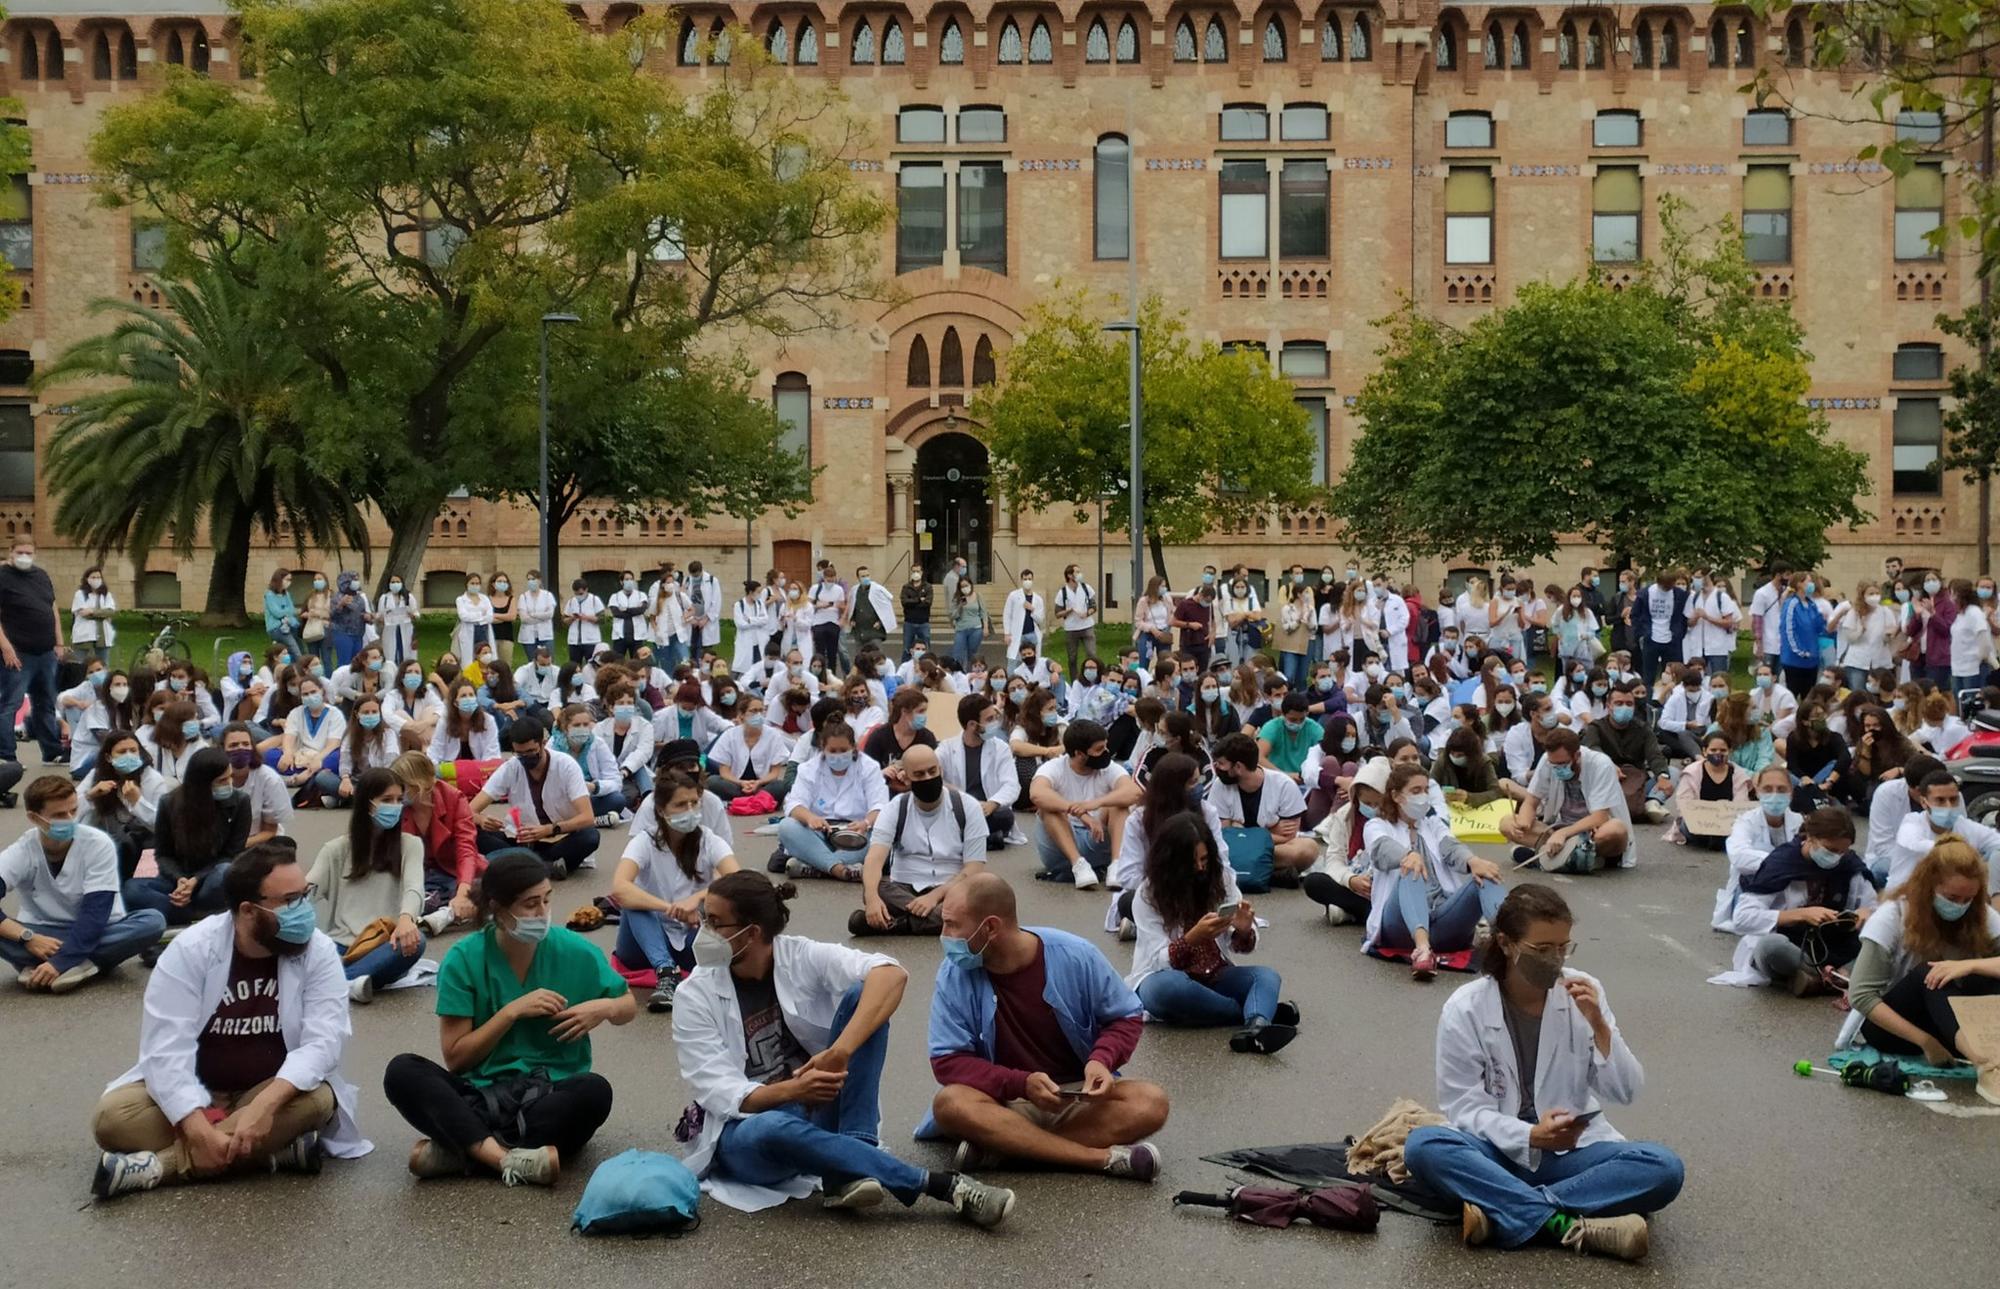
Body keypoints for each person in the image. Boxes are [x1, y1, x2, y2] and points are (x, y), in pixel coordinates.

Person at [670, 872, 1014, 1224]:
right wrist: (794, 1089)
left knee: (866, 993)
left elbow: (891, 973)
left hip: (815, 1104)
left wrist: (841, 1051)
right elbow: (719, 1092)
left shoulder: (799, 955)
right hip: (748, 1135)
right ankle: (939, 1186)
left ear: (753, 933)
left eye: (714, 922)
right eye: (705, 918)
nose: (703, 930)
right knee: (770, 1127)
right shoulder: (694, 994)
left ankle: (850, 1163)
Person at [1403, 883, 1682, 1261]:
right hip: (1496, 1152)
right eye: (1541, 949)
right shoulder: (1465, 1009)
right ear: (1505, 943)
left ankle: (1509, 1209)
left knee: (1664, 1168)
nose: (1555, 959)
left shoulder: (1584, 994)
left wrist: (1600, 1026)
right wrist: (1530, 1134)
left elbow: (1626, 1091)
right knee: (1425, 1147)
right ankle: (1566, 1224)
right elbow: (1463, 1109)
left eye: (1562, 947)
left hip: (1570, 1156)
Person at [88, 841, 365, 1199]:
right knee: (111, 1119)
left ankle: (157, 1168)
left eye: (305, 895)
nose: (305, 910)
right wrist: (196, 1125)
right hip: (199, 1090)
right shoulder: (191, 951)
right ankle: (272, 1153)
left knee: (319, 1100)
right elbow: (164, 1051)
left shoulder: (318, 950)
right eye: (290, 900)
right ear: (248, 911)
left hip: (268, 1091)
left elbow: (324, 1044)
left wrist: (264, 1107)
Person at [382, 848, 633, 1187]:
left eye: (547, 900)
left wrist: (605, 1009)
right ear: (497, 908)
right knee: (402, 1071)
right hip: (481, 1091)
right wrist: (511, 1012)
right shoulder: (464, 958)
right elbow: (456, 1059)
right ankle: (506, 1160)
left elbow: (627, 1005)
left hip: (548, 1095)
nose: (543, 913)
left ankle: (464, 1149)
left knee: (594, 1092)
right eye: (530, 904)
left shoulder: (574, 950)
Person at [924, 872, 1168, 1178]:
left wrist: (1100, 1060)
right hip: (1005, 1102)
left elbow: (1126, 1016)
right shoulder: (954, 973)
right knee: (950, 1103)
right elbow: (948, 1062)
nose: (943, 935)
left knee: (1151, 1102)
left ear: (990, 927)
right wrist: (1021, 1083)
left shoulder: (1075, 955)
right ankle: (1097, 1158)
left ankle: (1004, 1151)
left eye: (952, 925)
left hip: (1078, 1097)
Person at [1844, 838, 2000, 1102]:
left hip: (1949, 1019)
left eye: (1967, 899)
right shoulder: (1892, 916)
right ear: (1929, 887)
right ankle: (1988, 1067)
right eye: (1952, 898)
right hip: (1895, 1024)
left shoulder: (1979, 914)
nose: (1960, 905)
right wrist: (1925, 1042)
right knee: (1931, 973)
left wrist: (1968, 964)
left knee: (1982, 974)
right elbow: (1861, 996)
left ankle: (1987, 1051)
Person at [1127, 811, 1295, 1052]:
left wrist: (1244, 931)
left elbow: (1238, 944)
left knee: (1266, 976)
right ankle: (1255, 1015)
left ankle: (1256, 1026)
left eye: (1204, 860)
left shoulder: (1222, 879)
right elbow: (1157, 961)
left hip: (1214, 974)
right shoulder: (1147, 894)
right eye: (1191, 863)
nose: (1199, 868)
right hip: (1169, 977)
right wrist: (1192, 938)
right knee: (1166, 989)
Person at [0, 774, 166, 992]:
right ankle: (88, 962)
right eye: (59, 815)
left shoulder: (97, 844)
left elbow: (95, 914)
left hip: (99, 929)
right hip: (44, 934)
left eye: (73, 810)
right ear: (34, 818)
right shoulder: (23, 850)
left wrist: (59, 961)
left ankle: (51, 964)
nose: (69, 819)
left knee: (152, 922)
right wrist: (27, 938)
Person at [1360, 763, 1506, 979]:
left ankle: (1512, 942)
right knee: (1411, 869)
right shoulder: (1377, 825)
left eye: (1426, 790)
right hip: (1399, 926)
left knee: (1485, 873)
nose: (1424, 796)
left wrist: (1473, 861)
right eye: (1416, 791)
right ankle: (1422, 950)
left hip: (1442, 917)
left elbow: (1451, 848)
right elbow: (1381, 849)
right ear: (1397, 796)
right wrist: (1407, 856)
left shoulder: (1433, 824)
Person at [613, 770, 740, 1012]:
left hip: (692, 934)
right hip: (644, 941)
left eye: (694, 803)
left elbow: (736, 876)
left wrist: (697, 899)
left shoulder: (708, 840)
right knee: (632, 902)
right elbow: (620, 887)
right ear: (661, 810)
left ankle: (673, 970)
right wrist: (668, 909)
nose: (690, 810)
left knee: (730, 907)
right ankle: (666, 972)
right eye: (681, 804)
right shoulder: (645, 841)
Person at [1720, 807, 1877, 993]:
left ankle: (1821, 980)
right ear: (1810, 838)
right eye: (1831, 849)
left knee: (1886, 940)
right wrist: (1801, 914)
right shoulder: (1782, 863)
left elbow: (1873, 906)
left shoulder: (1849, 866)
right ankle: (1838, 978)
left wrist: (1865, 914)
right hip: (1795, 946)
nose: (1837, 857)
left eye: (1843, 852)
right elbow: (1743, 917)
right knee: (1770, 947)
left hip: (1838, 945)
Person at [303, 768, 426, 1003]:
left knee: (416, 942)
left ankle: (330, 984)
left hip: (385, 942)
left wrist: (406, 918)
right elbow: (309, 888)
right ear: (367, 804)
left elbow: (414, 887)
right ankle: (347, 982)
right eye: (386, 800)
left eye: (399, 800)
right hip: (341, 946)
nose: (395, 806)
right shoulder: (336, 849)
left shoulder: (410, 844)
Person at [853, 744, 989, 937]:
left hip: (952, 889)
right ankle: (943, 922)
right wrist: (872, 897)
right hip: (903, 887)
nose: (927, 778)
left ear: (940, 770)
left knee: (981, 894)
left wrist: (935, 896)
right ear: (906, 778)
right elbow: (874, 858)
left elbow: (974, 869)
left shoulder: (968, 807)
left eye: (932, 771)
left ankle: (898, 924)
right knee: (877, 886)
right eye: (919, 774)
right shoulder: (894, 808)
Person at [126, 749, 253, 926]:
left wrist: (196, 880)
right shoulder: (169, 803)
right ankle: (193, 914)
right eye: (222, 781)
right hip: (176, 881)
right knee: (132, 890)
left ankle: (179, 914)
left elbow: (232, 854)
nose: (229, 784)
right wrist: (180, 879)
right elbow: (163, 854)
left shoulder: (240, 802)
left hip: (211, 878)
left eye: (230, 777)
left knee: (225, 871)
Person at [468, 718, 599, 880]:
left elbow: (587, 817)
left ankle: (519, 865)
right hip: (521, 841)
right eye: (519, 753)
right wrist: (481, 820)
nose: (525, 758)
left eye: (530, 751)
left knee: (590, 837)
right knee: (472, 830)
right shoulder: (511, 767)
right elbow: (468, 810)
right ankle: (543, 867)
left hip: (559, 839)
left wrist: (549, 830)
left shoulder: (566, 766)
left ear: (543, 743)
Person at [1028, 719, 1140, 890]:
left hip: (1096, 838)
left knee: (1119, 804)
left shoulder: (1109, 768)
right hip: (1060, 847)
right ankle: (1078, 865)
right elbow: (1037, 793)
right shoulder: (1054, 767)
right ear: (1080, 754)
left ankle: (1117, 865)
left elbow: (1133, 792)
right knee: (1048, 807)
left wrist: (1094, 804)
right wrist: (1079, 813)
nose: (1106, 752)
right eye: (1099, 749)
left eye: (1106, 746)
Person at [1501, 729, 1632, 872]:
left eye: (1563, 764)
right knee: (1506, 823)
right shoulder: (1547, 760)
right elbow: (1531, 801)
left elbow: (1600, 817)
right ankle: (1576, 860)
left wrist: (1563, 833)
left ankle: (1545, 860)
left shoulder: (1601, 764)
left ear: (1577, 755)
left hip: (1592, 833)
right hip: (1558, 832)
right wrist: (1523, 824)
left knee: (1616, 829)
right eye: (1554, 765)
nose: (1558, 768)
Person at [779, 719, 889, 881]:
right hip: (819, 834)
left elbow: (880, 806)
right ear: (823, 748)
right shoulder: (809, 769)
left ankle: (815, 866)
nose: (838, 755)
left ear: (854, 747)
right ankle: (840, 869)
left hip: (857, 833)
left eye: (843, 750)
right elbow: (795, 804)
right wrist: (811, 818)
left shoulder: (869, 767)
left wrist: (866, 823)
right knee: (787, 826)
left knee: (883, 834)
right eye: (833, 750)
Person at [389, 752, 480, 935]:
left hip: (450, 870)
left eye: (403, 785)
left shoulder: (454, 797)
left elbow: (466, 850)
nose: (398, 792)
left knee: (485, 889)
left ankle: (444, 912)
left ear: (419, 783)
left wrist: (463, 893)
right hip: (415, 873)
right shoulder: (395, 804)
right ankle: (443, 910)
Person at [1208, 732, 1317, 880]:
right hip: (1234, 849)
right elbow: (1225, 836)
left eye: (1221, 763)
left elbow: (1287, 837)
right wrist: (1269, 832)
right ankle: (1267, 873)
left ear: (1238, 767)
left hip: (1269, 850)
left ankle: (1248, 870)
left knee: (1307, 849)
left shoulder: (1284, 785)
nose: (1216, 768)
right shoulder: (1219, 785)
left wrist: (1240, 830)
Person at [0, 536, 63, 766]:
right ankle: (6, 756)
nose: (25, 557)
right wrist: (5, 647)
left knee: (45, 702)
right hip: (18, 653)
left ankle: (52, 751)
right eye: (21, 552)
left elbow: (52, 608)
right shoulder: (3, 576)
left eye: (29, 552)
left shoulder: (41, 576)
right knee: (10, 704)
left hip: (45, 652)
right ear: (11, 551)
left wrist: (59, 641)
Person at [1884, 769, 2000, 889]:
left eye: (1953, 799)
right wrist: (1965, 853)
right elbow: (1915, 844)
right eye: (1940, 800)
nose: (1948, 806)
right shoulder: (1912, 823)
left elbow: (1996, 842)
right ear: (1924, 802)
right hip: (1905, 896)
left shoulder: (1965, 826)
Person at [937, 693, 1021, 850]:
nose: (995, 723)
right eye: (989, 720)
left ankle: (964, 838)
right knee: (947, 817)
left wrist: (992, 804)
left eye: (994, 718)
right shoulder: (946, 748)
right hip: (960, 809)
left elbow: (1011, 785)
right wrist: (961, 798)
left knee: (1005, 816)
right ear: (972, 725)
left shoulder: (1000, 748)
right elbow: (933, 778)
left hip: (988, 811)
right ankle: (985, 838)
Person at [79, 731, 169, 876]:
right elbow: (71, 812)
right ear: (108, 757)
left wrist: (137, 802)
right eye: (122, 752)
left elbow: (163, 825)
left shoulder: (153, 779)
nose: (129, 756)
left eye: (133, 751)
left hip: (143, 843)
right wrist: (90, 796)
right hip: (107, 838)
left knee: (122, 844)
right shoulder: (96, 776)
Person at [1581, 682, 1671, 823]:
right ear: (1609, 705)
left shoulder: (1643, 729)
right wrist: (1608, 765)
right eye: (1619, 703)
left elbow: (1654, 755)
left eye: (1629, 704)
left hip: (1637, 780)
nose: (1624, 707)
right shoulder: (1596, 727)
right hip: (1606, 779)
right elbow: (1592, 748)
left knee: (1673, 772)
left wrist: (1662, 776)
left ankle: (1653, 801)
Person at [273, 675, 346, 803]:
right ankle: (314, 785)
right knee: (270, 755)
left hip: (324, 757)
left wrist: (318, 759)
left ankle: (303, 779)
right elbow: (289, 737)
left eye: (313, 692)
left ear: (322, 691)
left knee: (337, 758)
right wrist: (288, 753)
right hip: (301, 757)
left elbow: (334, 744)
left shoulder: (335, 714)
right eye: (305, 694)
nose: (310, 696)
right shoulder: (296, 713)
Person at [1676, 731, 1751, 852]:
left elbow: (1740, 805)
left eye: (1723, 750)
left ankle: (1718, 839)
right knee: (1687, 825)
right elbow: (1684, 804)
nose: (1718, 753)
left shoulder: (1739, 774)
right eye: (1713, 750)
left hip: (1728, 822)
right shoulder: (1692, 772)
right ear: (1705, 751)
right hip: (1698, 821)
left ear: (1730, 751)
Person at [1627, 569, 1687, 688]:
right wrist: (1643, 633)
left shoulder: (1680, 594)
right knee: (1648, 676)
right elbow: (1634, 615)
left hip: (1672, 640)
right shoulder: (1645, 593)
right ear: (1658, 583)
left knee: (1673, 676)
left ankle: (1669, 700)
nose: (1667, 589)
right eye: (1664, 587)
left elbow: (1683, 616)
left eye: (1670, 586)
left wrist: (1679, 633)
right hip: (1651, 639)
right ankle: (1648, 702)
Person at [428, 679, 502, 767]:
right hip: (450, 772)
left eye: (471, 695)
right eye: (463, 696)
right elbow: (435, 751)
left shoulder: (488, 721)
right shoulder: (445, 721)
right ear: (455, 702)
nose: (468, 698)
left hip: (479, 771)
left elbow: (492, 753)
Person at [1681, 570, 1736, 676]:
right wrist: (1695, 617)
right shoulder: (1694, 597)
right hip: (1697, 648)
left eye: (1699, 577)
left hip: (1717, 648)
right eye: (1695, 577)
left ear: (1707, 577)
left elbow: (1729, 622)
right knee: (1697, 678)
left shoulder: (1721, 597)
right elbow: (1689, 622)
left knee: (1718, 677)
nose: (1696, 580)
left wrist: (1708, 618)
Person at [71, 565, 117, 663]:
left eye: (98, 577)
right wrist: (102, 614)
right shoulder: (80, 594)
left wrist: (92, 611)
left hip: (103, 635)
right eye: (93, 577)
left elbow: (110, 611)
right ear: (87, 579)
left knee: (103, 663)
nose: (96, 580)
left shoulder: (106, 595)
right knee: (80, 663)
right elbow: (83, 613)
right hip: (84, 634)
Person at [263, 568, 305, 663]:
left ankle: (292, 669)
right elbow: (277, 613)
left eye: (290, 580)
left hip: (290, 626)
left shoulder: (286, 594)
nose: (289, 582)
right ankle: (303, 668)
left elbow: (292, 610)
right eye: (287, 579)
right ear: (279, 579)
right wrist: (288, 611)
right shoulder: (269, 595)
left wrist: (287, 612)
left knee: (298, 649)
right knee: (295, 651)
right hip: (276, 628)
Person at [562, 578, 606, 665]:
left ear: (586, 590)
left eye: (581, 593)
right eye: (576, 594)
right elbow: (564, 620)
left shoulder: (594, 600)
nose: (578, 596)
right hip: (574, 641)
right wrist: (572, 618)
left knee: (592, 665)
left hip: (591, 641)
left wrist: (586, 617)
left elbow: (602, 619)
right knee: (574, 666)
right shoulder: (571, 601)